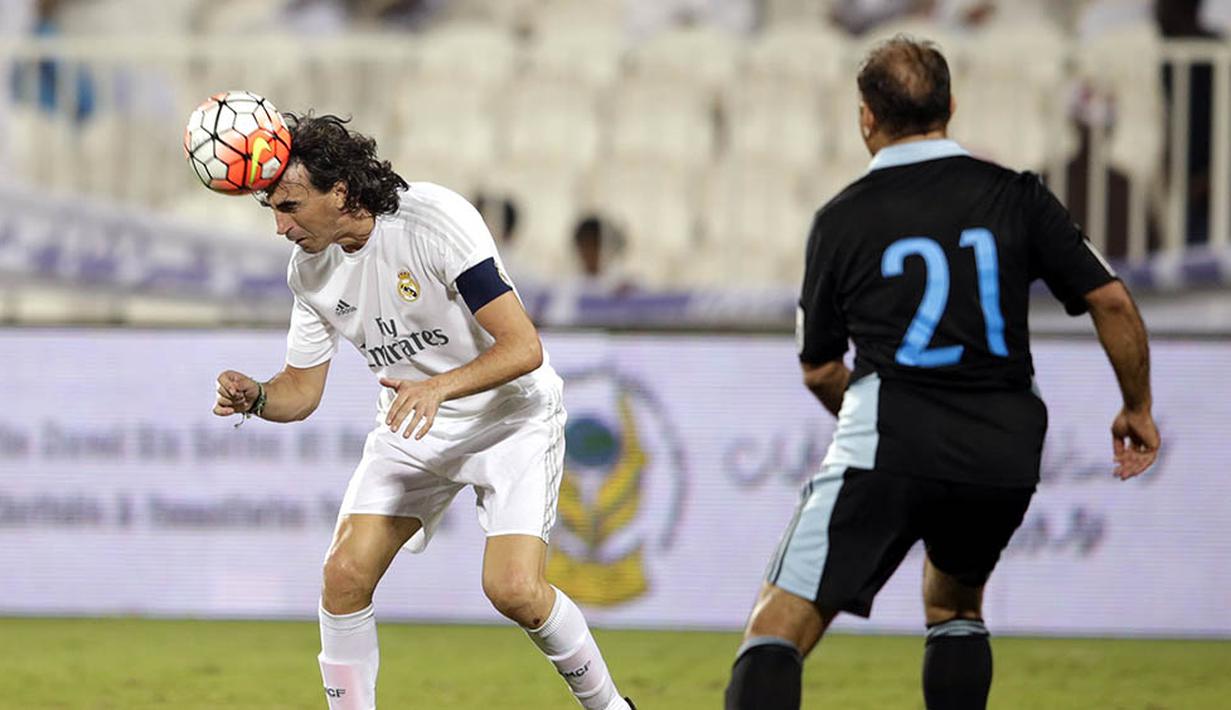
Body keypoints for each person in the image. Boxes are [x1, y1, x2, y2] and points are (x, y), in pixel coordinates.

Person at [724, 36, 1160, 710]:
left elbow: (817, 369)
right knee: (954, 601)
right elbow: (1108, 298)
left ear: (865, 117)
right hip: (1003, 447)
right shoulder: (1017, 196)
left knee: (775, 626)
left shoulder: (840, 220)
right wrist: (1136, 405)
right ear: (950, 106)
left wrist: (871, 414)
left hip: (891, 435)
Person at [211, 113, 635, 710]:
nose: (281, 226)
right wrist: (255, 396)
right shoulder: (309, 270)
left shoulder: (434, 220)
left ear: (340, 191)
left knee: (514, 590)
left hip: (509, 417)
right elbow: (300, 393)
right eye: (272, 210)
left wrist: (441, 387)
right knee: (343, 577)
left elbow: (524, 347)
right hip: (414, 426)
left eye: (289, 205)